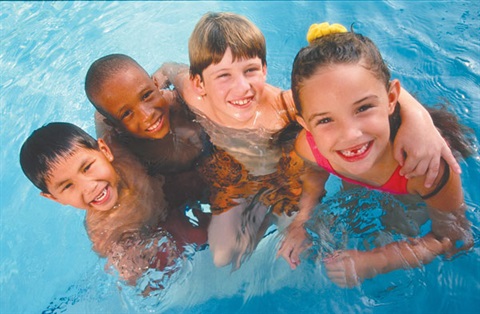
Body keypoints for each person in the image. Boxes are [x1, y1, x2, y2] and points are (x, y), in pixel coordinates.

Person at [154, 12, 461, 269]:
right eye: (223, 76)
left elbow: (456, 237)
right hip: (249, 175)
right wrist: (164, 71)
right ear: (201, 83)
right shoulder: (194, 96)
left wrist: (420, 119)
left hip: (294, 174)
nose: (242, 87)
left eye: (250, 70)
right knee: (223, 257)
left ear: (264, 69)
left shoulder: (285, 107)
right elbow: (176, 70)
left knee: (384, 231)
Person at [289, 22, 473, 287]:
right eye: (326, 120)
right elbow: (313, 173)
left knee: (398, 225)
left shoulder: (425, 168)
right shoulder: (309, 146)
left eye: (363, 108)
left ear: (391, 98)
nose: (350, 134)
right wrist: (302, 219)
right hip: (360, 190)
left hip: (408, 196)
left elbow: (454, 237)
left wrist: (379, 261)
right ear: (306, 125)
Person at [19, 122, 209, 287]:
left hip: (173, 191)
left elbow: (104, 109)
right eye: (68, 186)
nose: (89, 187)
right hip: (161, 227)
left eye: (87, 168)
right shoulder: (106, 231)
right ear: (54, 198)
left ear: (105, 150)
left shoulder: (122, 153)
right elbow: (134, 277)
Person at [85, 54, 212, 209]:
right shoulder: (122, 148)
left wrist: (171, 71)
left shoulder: (181, 102)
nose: (147, 115)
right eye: (127, 113)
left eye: (146, 95)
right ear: (114, 124)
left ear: (156, 84)